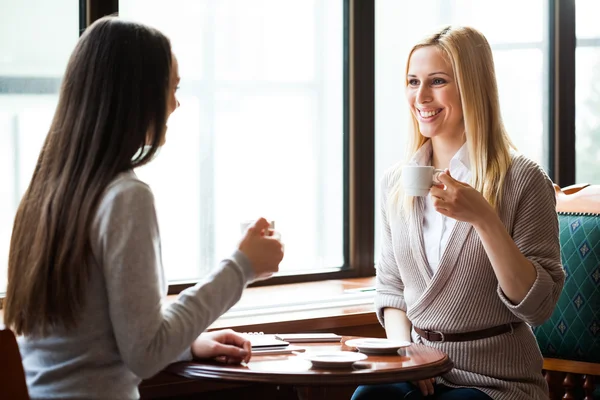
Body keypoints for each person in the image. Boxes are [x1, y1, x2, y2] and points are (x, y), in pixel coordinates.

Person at [3, 16, 284, 400]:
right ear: (137, 96)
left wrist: (188, 344)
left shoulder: (47, 195)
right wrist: (242, 266)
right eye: (171, 88)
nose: (175, 103)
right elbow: (145, 354)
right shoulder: (125, 197)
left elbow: (92, 343)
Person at [352, 26, 564, 400]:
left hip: (497, 380)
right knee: (368, 395)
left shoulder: (523, 179)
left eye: (437, 81)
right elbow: (391, 288)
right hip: (420, 365)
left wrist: (485, 219)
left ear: (472, 87)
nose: (421, 96)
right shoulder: (396, 183)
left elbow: (538, 306)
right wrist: (406, 357)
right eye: (412, 81)